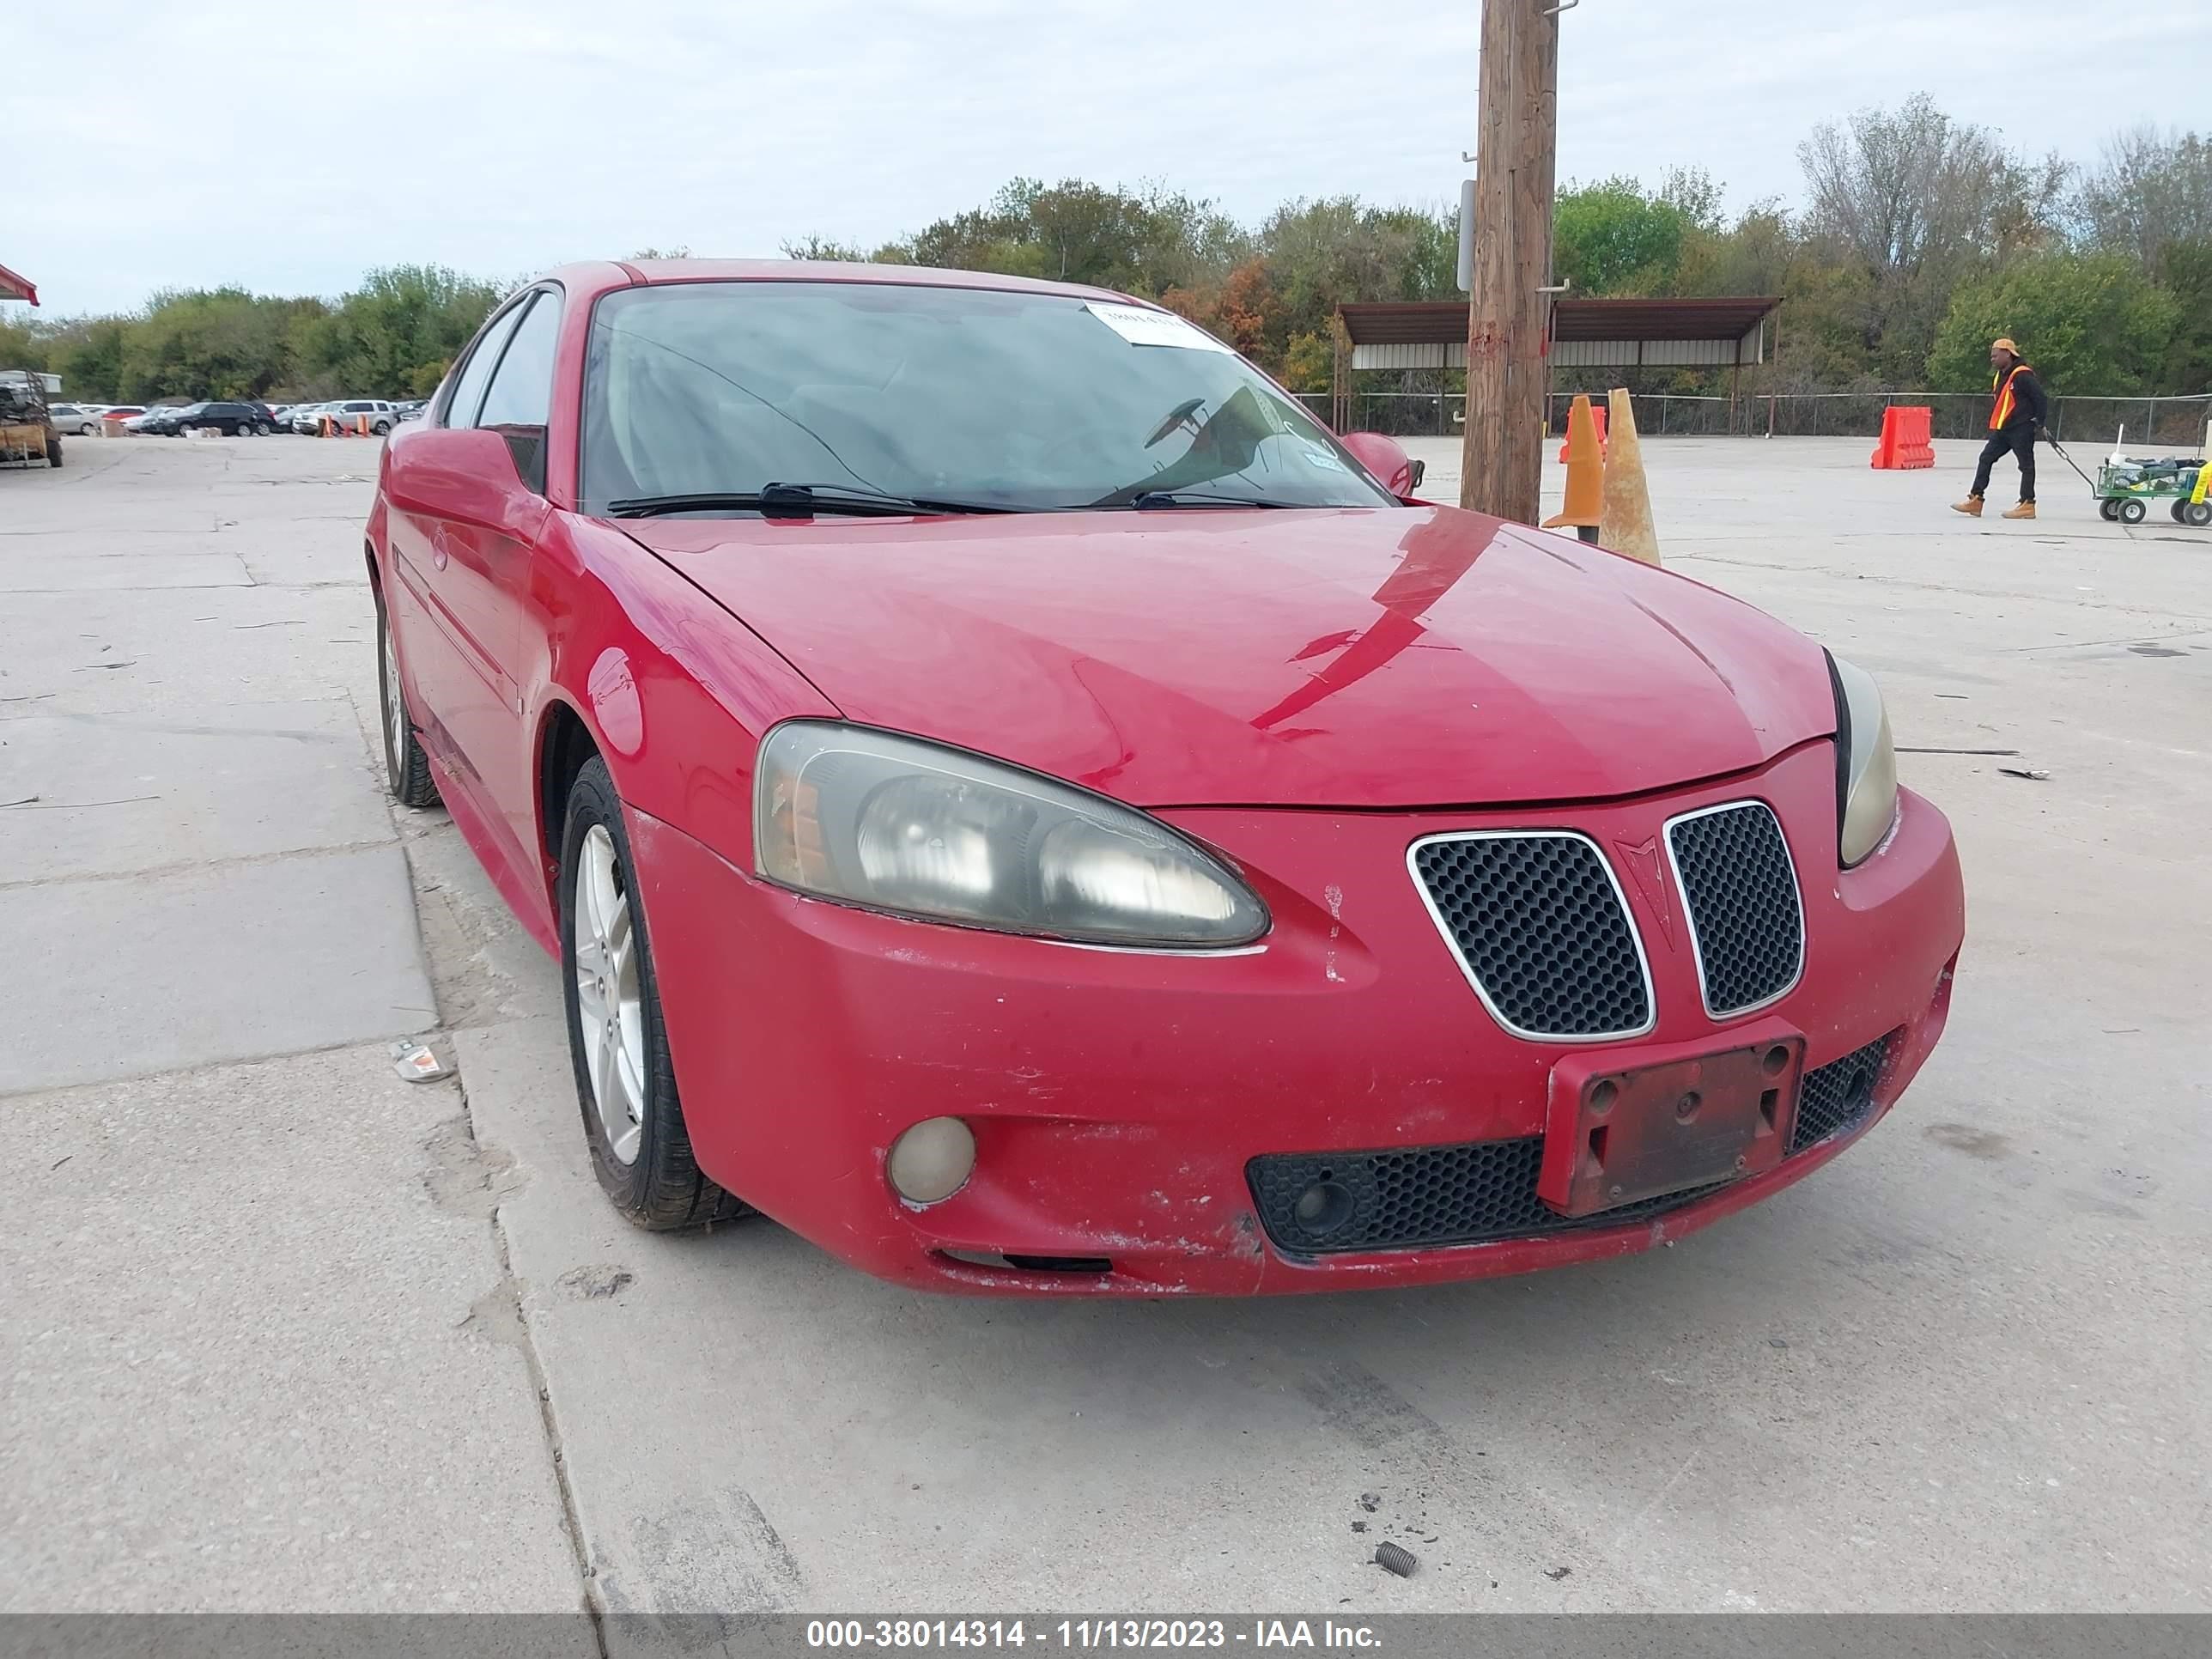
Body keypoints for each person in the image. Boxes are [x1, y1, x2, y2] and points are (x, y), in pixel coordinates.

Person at [1952, 337, 2049, 520]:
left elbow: (2040, 398)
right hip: (2003, 429)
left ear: (2008, 354)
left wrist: (2039, 422)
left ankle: (2028, 503)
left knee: (2026, 465)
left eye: (1996, 355)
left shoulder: (2022, 375)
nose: (1992, 359)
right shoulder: (2001, 375)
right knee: (1986, 458)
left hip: (2021, 428)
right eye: (1992, 356)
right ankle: (1976, 499)